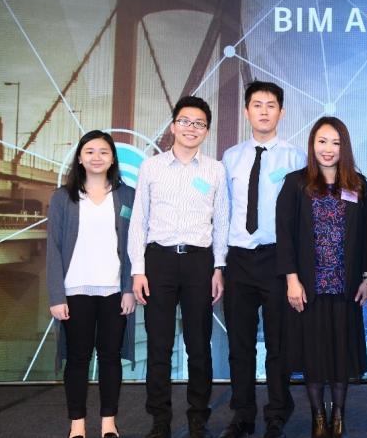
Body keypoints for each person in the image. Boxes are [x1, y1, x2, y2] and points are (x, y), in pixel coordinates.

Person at [128, 96, 229, 438]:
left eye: (199, 123)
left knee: (198, 344)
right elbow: (138, 220)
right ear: (173, 126)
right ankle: (160, 418)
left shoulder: (215, 170)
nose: (191, 128)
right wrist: (138, 269)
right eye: (185, 121)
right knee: (159, 345)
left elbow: (223, 223)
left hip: (200, 262)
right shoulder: (151, 167)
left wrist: (218, 267)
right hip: (159, 261)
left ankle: (198, 416)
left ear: (206, 131)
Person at [219, 82, 304, 438]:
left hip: (276, 259)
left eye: (271, 105)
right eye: (257, 104)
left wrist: (294, 272)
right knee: (239, 343)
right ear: (246, 111)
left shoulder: (295, 157)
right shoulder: (230, 157)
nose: (264, 111)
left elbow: (301, 218)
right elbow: (223, 212)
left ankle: (277, 411)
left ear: (281, 112)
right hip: (238, 260)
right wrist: (219, 264)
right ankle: (242, 413)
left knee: (277, 344)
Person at [276, 117, 367, 438]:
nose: (328, 149)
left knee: (341, 354)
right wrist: (291, 279)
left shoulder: (358, 184)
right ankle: (318, 417)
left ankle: (339, 415)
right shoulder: (295, 184)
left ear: (344, 147)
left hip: (346, 286)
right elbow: (285, 235)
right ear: (312, 144)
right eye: (322, 142)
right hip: (309, 286)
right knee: (314, 354)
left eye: (335, 143)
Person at [46, 130, 136, 438]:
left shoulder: (127, 196)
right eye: (90, 151)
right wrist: (57, 295)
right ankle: (78, 425)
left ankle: (109, 423)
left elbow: (133, 247)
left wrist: (128, 289)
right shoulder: (63, 198)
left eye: (103, 152)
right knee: (78, 358)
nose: (97, 157)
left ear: (113, 158)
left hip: (114, 292)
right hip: (75, 292)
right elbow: (54, 250)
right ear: (80, 158)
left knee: (111, 357)